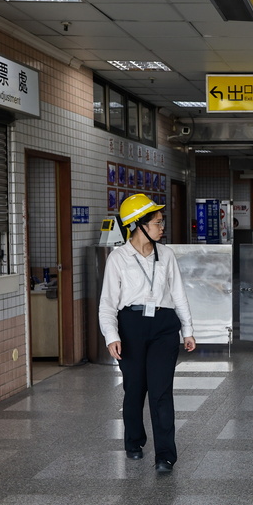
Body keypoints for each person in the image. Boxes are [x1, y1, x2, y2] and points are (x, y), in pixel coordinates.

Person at [98, 193, 196, 473]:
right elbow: (107, 303)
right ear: (138, 225)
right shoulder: (118, 258)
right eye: (156, 222)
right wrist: (111, 336)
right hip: (130, 325)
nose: (161, 227)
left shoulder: (166, 254)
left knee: (161, 391)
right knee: (135, 388)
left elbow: (178, 294)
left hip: (164, 325)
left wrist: (187, 329)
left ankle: (165, 455)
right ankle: (134, 440)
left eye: (161, 222)